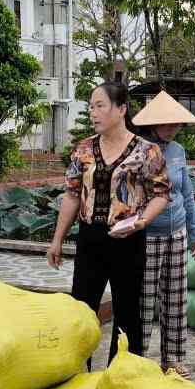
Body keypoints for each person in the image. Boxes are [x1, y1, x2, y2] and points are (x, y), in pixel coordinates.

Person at [48, 82, 170, 364]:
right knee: (81, 310)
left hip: (128, 239)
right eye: (91, 106)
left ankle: (123, 377)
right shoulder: (84, 149)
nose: (93, 112)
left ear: (121, 109)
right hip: (91, 239)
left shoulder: (147, 151)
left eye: (100, 106)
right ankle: (78, 374)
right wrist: (57, 240)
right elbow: (72, 195)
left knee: (127, 313)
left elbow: (162, 195)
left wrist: (142, 221)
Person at [132, 91, 195, 375]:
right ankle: (137, 361)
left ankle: (173, 360)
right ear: (153, 123)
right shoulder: (138, 150)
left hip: (178, 234)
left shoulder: (178, 152)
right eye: (168, 123)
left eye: (177, 124)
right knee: (145, 302)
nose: (173, 128)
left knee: (175, 299)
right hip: (148, 236)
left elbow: (187, 194)